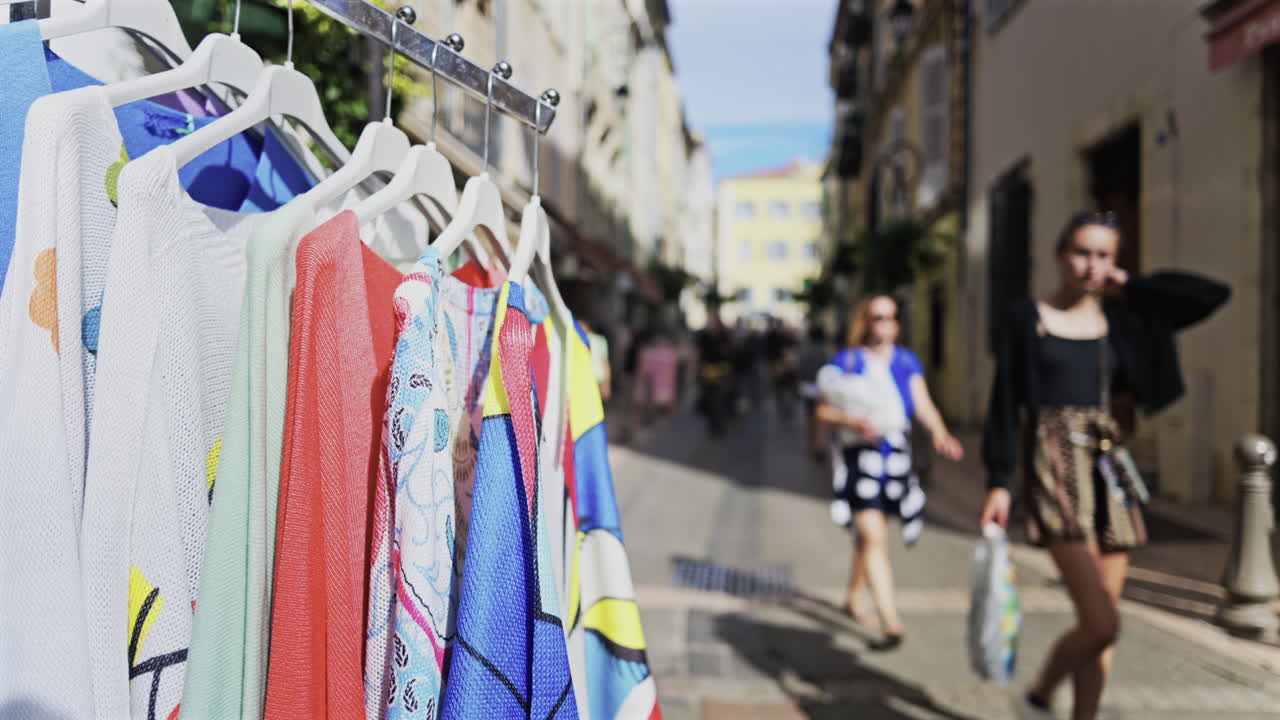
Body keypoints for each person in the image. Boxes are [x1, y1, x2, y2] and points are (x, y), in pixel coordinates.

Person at [979, 211, 1229, 720]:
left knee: (1104, 622)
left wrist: (1129, 284)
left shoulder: (1123, 318)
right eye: (1081, 252)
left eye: (1103, 255)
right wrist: (999, 481)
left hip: (1108, 465)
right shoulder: (1026, 320)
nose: (1090, 265)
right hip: (1052, 465)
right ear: (1058, 253)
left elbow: (1210, 295)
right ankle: (1040, 695)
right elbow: (1004, 403)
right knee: (1101, 623)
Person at [815, 295, 964, 649]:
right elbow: (822, 411)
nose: (884, 324)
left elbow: (922, 403)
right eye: (877, 317)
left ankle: (853, 596)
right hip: (861, 460)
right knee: (873, 536)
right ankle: (891, 621)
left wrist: (940, 432)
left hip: (894, 461)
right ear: (865, 321)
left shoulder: (905, 361)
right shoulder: (847, 361)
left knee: (869, 538)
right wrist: (853, 421)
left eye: (890, 317)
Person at [794, 325, 831, 461]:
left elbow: (800, 368)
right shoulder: (824, 350)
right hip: (821, 387)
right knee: (820, 419)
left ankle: (812, 445)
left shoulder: (805, 350)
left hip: (808, 386)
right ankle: (819, 445)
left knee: (810, 417)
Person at [695, 309, 735, 437]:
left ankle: (719, 425)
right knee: (710, 399)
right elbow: (698, 353)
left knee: (719, 400)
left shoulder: (724, 335)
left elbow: (730, 352)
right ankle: (713, 425)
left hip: (721, 371)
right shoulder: (703, 335)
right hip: (707, 371)